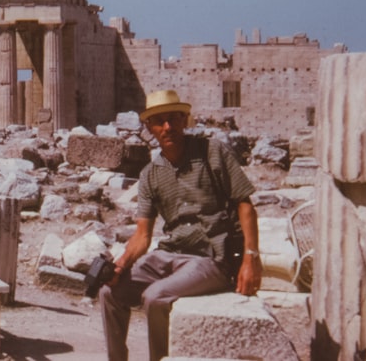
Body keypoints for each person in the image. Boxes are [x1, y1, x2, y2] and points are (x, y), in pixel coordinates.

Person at [99, 89, 262, 361]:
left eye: (174, 119)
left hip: (210, 258)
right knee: (109, 292)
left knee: (155, 297)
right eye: (159, 121)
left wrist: (251, 259)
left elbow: (245, 204)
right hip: (170, 254)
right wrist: (120, 264)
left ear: (185, 120)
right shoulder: (150, 174)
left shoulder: (212, 152)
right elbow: (142, 235)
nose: (167, 127)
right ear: (148, 127)